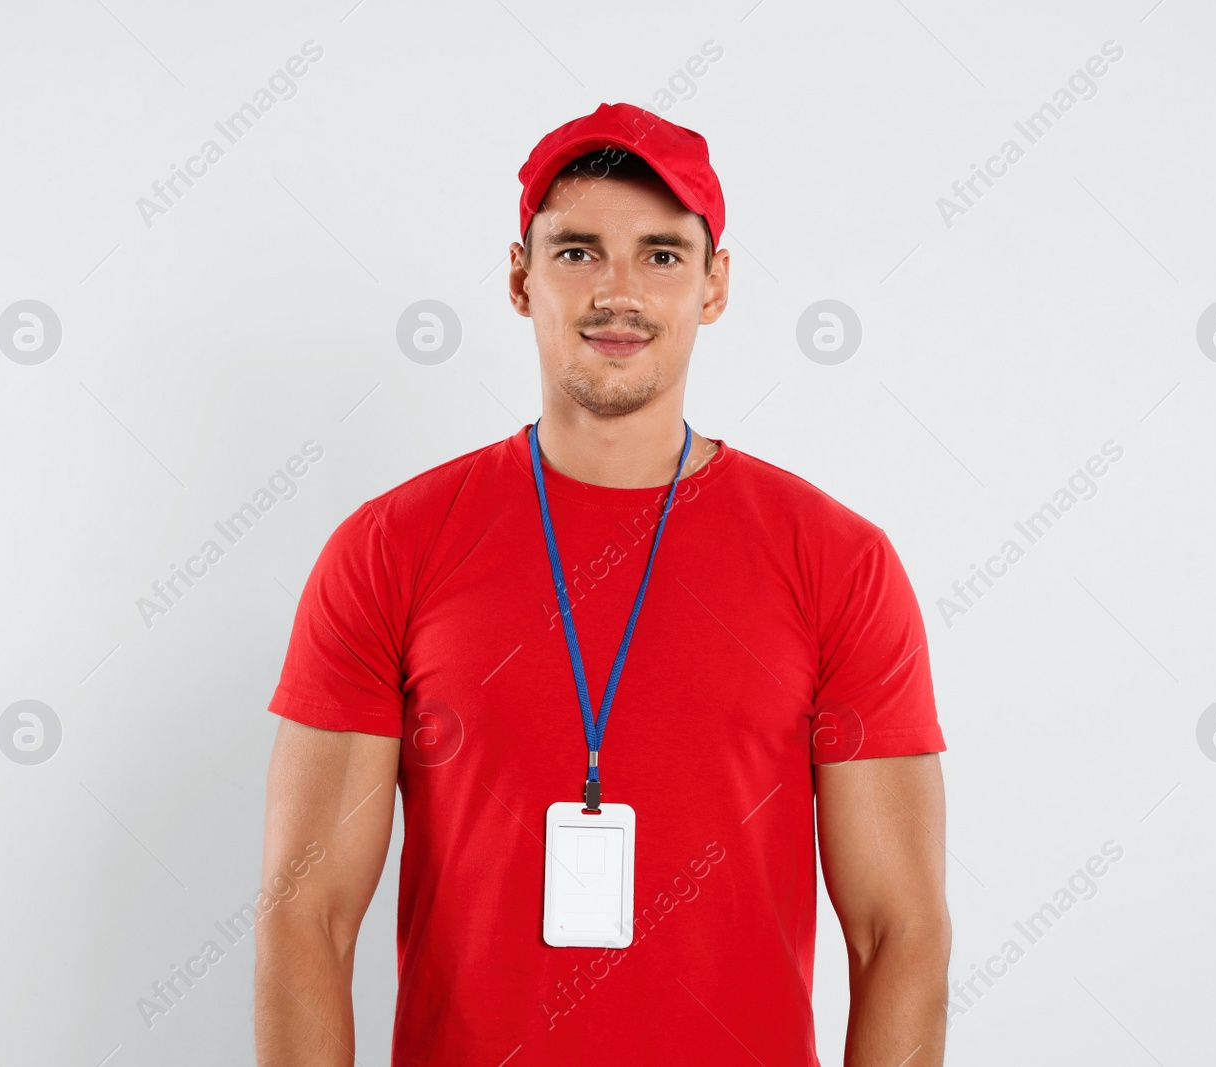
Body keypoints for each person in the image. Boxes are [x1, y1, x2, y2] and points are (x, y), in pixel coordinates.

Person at [255, 102, 950, 1066]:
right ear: (519, 277)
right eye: (578, 251)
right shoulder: (389, 548)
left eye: (662, 255)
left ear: (714, 286)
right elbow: (308, 916)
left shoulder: (837, 560)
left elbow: (898, 931)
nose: (617, 291)